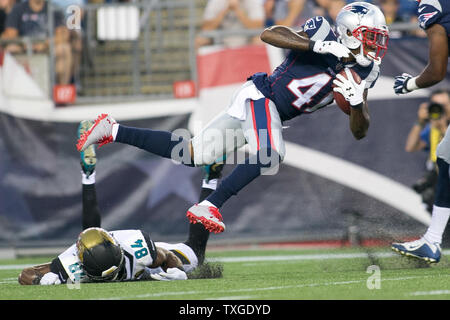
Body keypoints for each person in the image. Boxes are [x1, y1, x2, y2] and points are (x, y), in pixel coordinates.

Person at [77, 2, 389, 235]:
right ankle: (209, 204)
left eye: (378, 37)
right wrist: (317, 45)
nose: (376, 44)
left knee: (191, 153)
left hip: (269, 112)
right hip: (260, 96)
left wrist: (357, 103)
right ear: (349, 33)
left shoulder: (367, 71)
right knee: (270, 154)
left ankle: (110, 129)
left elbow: (360, 131)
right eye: (370, 36)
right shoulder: (322, 30)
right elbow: (271, 34)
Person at [18, 121, 222, 285]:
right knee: (91, 235)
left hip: (154, 260)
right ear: (82, 265)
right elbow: (26, 274)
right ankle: (87, 175)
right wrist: (40, 279)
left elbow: (166, 256)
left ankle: (211, 178)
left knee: (196, 253)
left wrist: (176, 270)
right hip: (96, 248)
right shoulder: (72, 261)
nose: (113, 278)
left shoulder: (137, 248)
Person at [392, 0, 450, 263]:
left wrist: (410, 84)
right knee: (445, 155)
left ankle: (433, 240)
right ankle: (433, 240)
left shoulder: (434, 4)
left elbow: (437, 71)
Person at [1, 0, 73, 85]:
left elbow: (63, 35)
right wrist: (25, 44)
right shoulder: (18, 9)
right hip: (23, 48)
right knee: (10, 48)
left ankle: (61, 88)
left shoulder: (54, 9)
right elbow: (10, 34)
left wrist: (46, 44)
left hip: (47, 47)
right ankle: (11, 87)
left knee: (64, 49)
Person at [195, 0, 265, 48]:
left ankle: (256, 69)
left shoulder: (253, 2)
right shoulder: (216, 2)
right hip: (221, 41)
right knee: (201, 40)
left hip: (247, 41)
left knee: (260, 40)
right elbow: (206, 28)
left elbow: (257, 27)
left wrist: (237, 10)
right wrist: (226, 9)